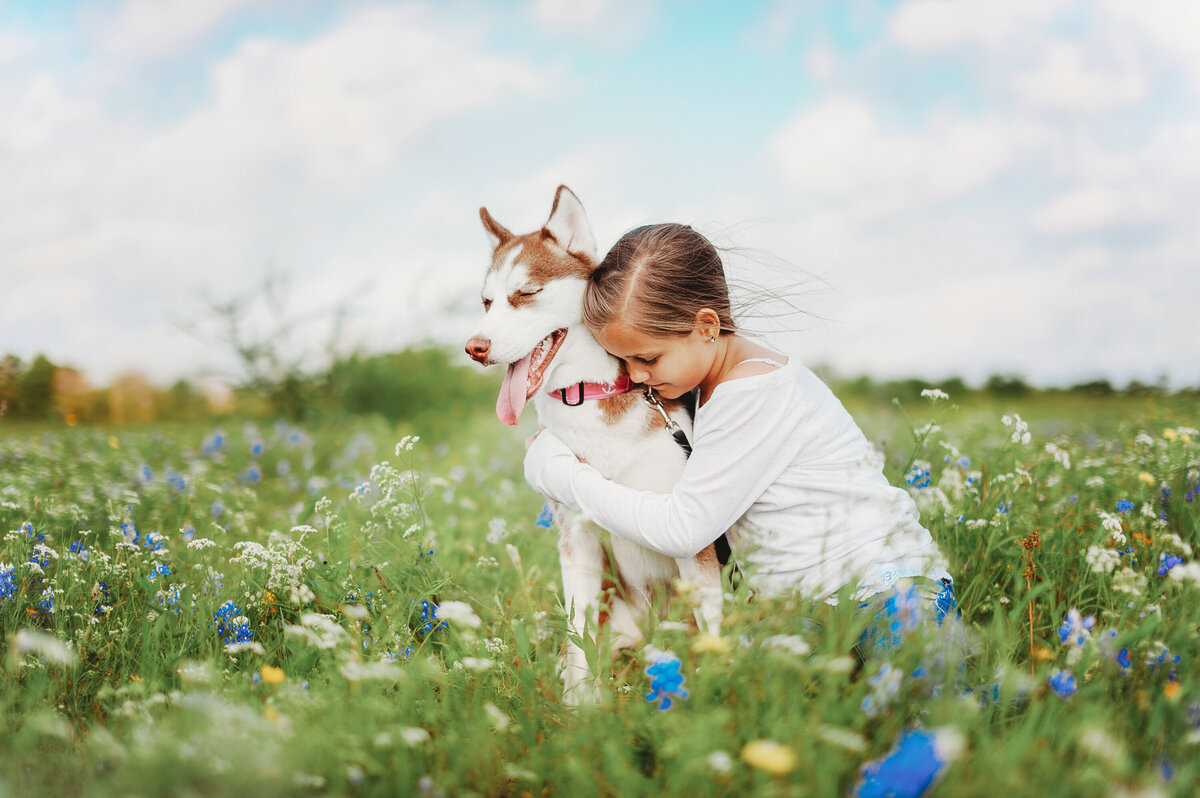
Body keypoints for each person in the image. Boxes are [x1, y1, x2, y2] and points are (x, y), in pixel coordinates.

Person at [523, 222, 962, 656]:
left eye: (648, 358)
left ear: (707, 326)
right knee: (748, 700)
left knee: (930, 705)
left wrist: (565, 478)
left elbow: (683, 530)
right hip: (802, 609)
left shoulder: (754, 391)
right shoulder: (698, 381)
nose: (635, 375)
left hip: (889, 588)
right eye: (623, 360)